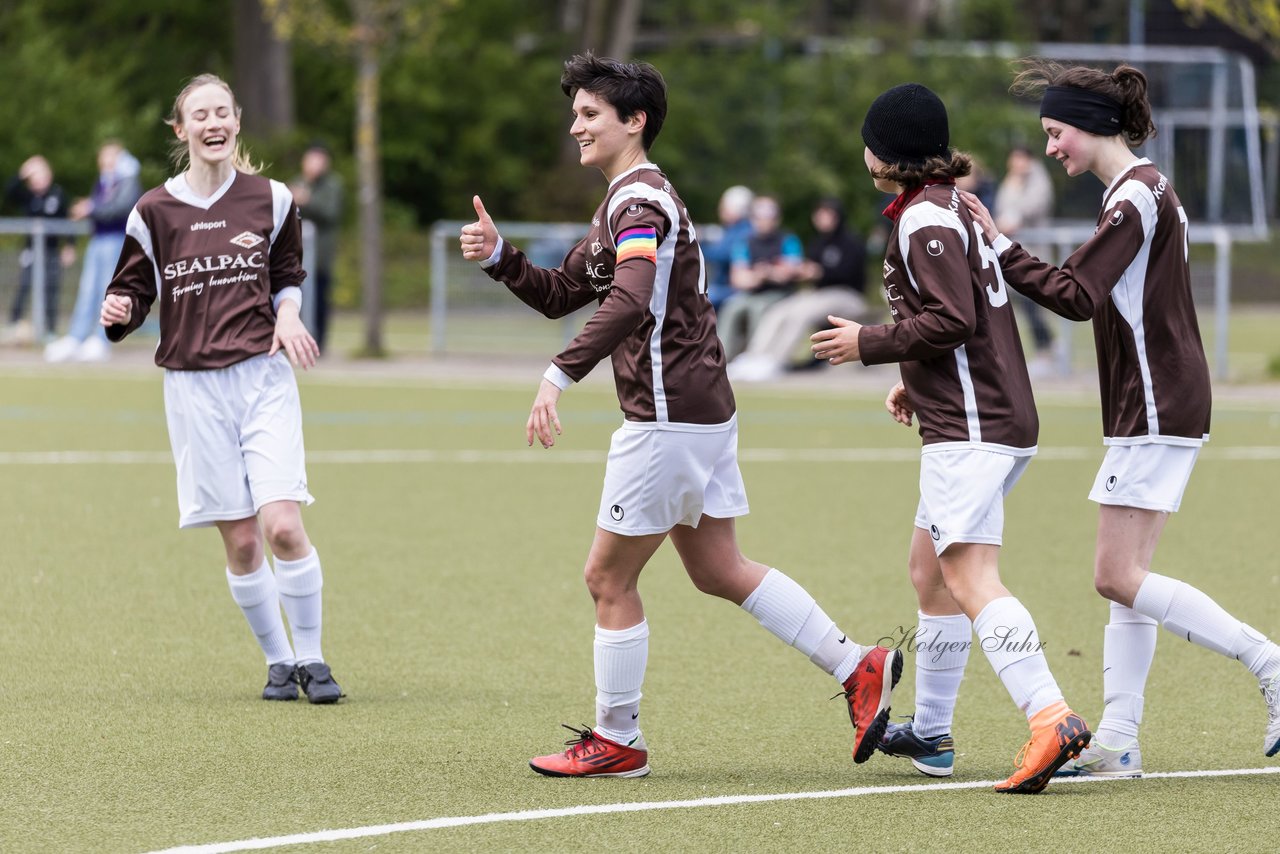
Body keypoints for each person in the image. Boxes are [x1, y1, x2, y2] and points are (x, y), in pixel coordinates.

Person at [459, 52, 901, 778]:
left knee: (607, 578)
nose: (575, 125)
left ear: (635, 122)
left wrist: (557, 374)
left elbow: (629, 299)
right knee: (720, 568)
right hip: (699, 410)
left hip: (668, 418)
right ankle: (859, 666)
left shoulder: (639, 203)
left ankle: (617, 740)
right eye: (575, 113)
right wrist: (500, 255)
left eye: (590, 114)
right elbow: (561, 290)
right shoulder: (624, 201)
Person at [962, 61, 1280, 775]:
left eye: (1055, 132)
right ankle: (1119, 738)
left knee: (1115, 575)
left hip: (1157, 399)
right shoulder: (1142, 188)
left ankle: (1270, 664)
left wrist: (997, 245)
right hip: (1159, 397)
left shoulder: (1134, 197)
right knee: (1128, 573)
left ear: (1092, 124)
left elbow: (1074, 295)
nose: (1050, 149)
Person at [810, 82, 1091, 793]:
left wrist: (870, 341)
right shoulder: (947, 206)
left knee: (968, 577)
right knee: (929, 571)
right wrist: (916, 375)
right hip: (977, 413)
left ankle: (1049, 714)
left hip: (974, 425)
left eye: (871, 138)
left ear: (888, 152)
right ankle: (933, 734)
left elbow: (955, 317)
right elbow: (967, 318)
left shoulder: (926, 219)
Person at [100, 73, 342, 705]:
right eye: (199, 115)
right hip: (192, 389)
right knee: (239, 540)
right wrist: (118, 311)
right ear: (181, 131)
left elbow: (288, 273)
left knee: (283, 526)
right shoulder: (153, 210)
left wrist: (288, 314)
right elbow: (131, 290)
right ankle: (278, 662)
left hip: (263, 380)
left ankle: (314, 659)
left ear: (236, 123)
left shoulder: (274, 198)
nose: (213, 124)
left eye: (223, 113)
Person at [727, 197, 868, 382]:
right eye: (819, 215)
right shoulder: (818, 242)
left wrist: (817, 272)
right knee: (778, 312)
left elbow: (846, 274)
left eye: (827, 214)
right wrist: (800, 271)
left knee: (801, 314)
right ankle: (754, 357)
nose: (822, 218)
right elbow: (807, 271)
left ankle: (775, 362)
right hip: (820, 295)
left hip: (848, 295)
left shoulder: (851, 242)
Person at [45, 142, 143, 363]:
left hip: (116, 240)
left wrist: (91, 208)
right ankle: (76, 337)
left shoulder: (126, 180)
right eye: (104, 157)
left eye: (112, 157)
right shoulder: (103, 181)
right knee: (88, 289)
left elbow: (120, 208)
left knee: (107, 291)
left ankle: (101, 339)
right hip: (97, 240)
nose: (107, 162)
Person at [716, 194, 806, 361]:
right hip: (752, 293)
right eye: (759, 216)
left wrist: (766, 273)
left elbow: (791, 272)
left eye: (768, 216)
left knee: (757, 308)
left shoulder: (787, 240)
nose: (764, 220)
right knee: (731, 308)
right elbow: (738, 278)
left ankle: (755, 357)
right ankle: (723, 358)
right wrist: (761, 275)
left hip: (781, 294)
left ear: (776, 218)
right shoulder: (745, 242)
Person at [993, 144, 1055, 372]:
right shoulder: (1011, 180)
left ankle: (1046, 350)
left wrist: (1015, 218)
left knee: (1032, 303)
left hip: (1033, 251)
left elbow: (1035, 205)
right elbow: (1002, 206)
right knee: (1023, 304)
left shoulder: (1038, 178)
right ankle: (1045, 347)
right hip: (1013, 251)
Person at [3, 155, 74, 341]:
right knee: (24, 287)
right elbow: (9, 192)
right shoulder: (28, 195)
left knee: (51, 290)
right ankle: (13, 324)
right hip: (31, 251)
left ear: (49, 175)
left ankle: (49, 330)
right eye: (36, 176)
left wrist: (69, 245)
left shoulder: (58, 194)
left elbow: (68, 221)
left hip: (51, 252)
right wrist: (23, 172)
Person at [289, 142, 342, 354]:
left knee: (320, 301)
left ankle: (318, 344)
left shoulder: (333, 186)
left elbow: (330, 212)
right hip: (296, 258)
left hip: (321, 257)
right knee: (294, 300)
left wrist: (306, 200)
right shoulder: (297, 182)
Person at [701, 184, 754, 312]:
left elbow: (723, 255)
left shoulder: (743, 231)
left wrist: (697, 245)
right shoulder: (735, 229)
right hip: (726, 285)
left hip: (732, 287)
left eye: (724, 206)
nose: (720, 210)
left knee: (700, 297)